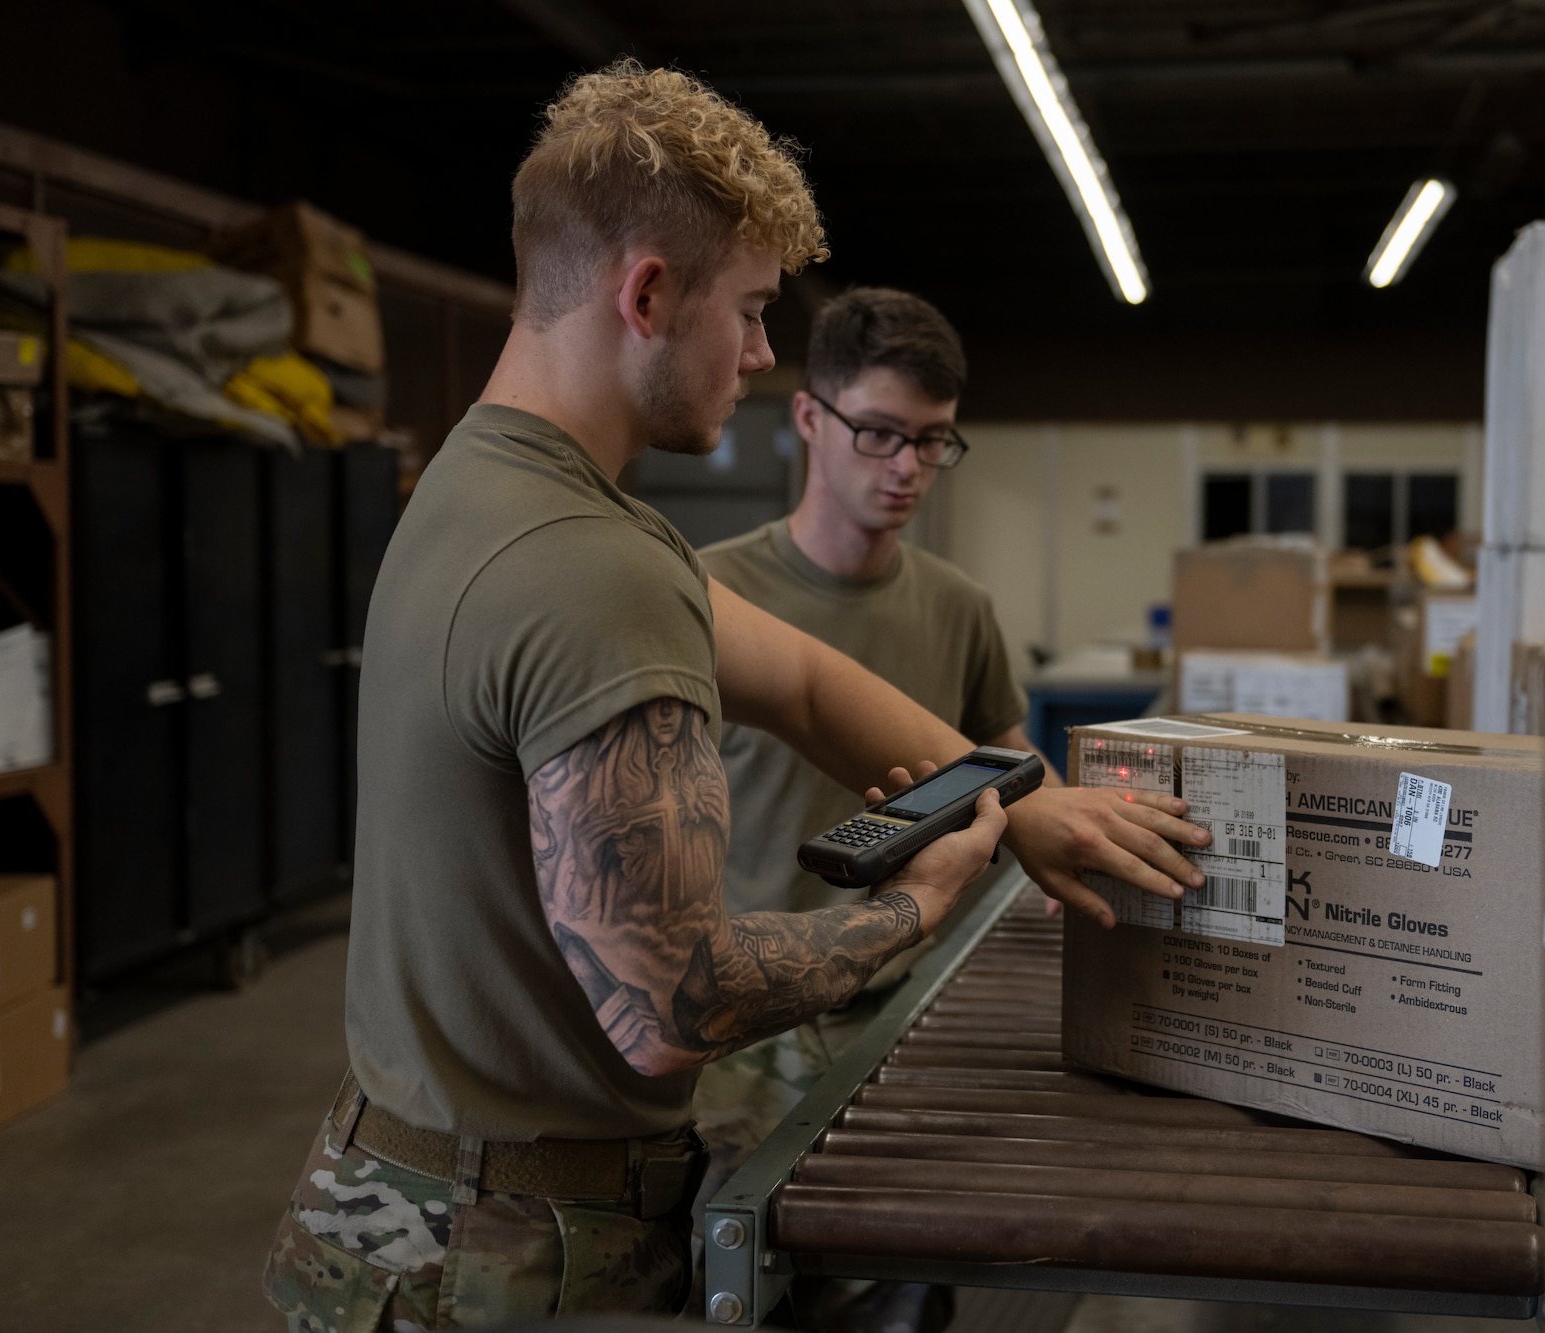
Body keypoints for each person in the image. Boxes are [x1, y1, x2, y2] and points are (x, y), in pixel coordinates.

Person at [262, 61, 1210, 1329]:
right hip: (512, 1258)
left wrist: (1018, 804)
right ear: (647, 292)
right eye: (753, 310)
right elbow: (671, 1000)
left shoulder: (477, 486)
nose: (765, 354)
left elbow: (808, 682)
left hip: (399, 1199)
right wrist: (918, 903)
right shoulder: (592, 568)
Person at [690, 289, 1040, 1205]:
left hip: (906, 1002)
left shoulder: (960, 606)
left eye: (934, 440)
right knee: (738, 1266)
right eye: (881, 433)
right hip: (750, 1021)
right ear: (809, 416)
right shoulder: (702, 595)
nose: (910, 467)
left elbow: (1013, 771)